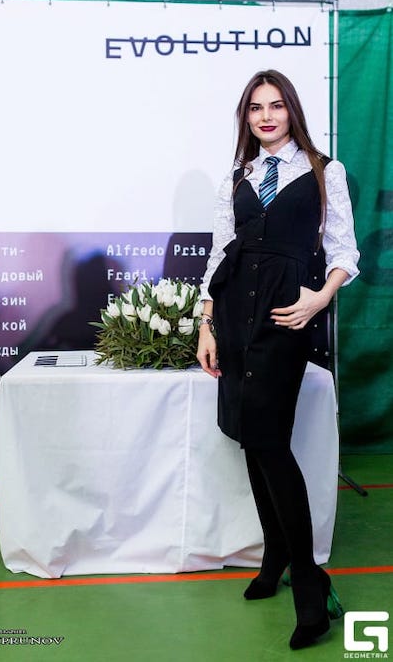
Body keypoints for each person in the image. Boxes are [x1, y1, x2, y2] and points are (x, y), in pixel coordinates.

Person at [196, 69, 359, 651]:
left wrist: (319, 298)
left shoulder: (324, 171)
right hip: (233, 312)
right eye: (255, 107)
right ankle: (274, 556)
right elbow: (219, 251)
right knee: (250, 435)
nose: (266, 116)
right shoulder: (237, 175)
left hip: (287, 314)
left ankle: (311, 589)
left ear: (292, 111)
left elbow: (344, 249)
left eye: (276, 105)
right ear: (246, 116)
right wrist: (206, 323)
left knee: (268, 440)